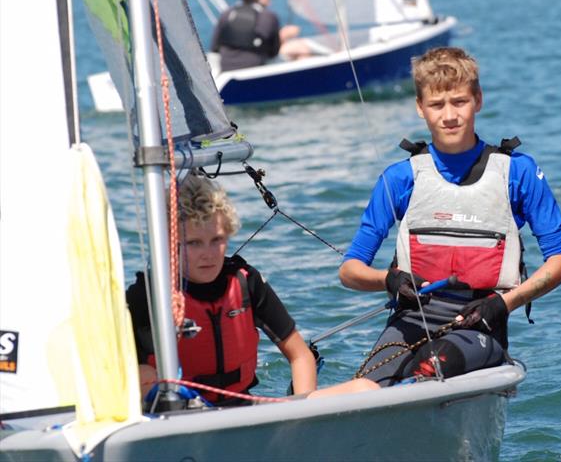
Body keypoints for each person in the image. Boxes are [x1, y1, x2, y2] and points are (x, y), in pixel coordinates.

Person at [338, 46, 561, 386]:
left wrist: (504, 304)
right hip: (409, 322)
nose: (449, 115)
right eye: (436, 105)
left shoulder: (517, 173)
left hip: (480, 325)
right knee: (360, 388)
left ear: (478, 100)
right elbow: (349, 271)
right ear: (420, 108)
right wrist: (388, 280)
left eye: (459, 102)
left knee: (434, 363)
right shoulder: (399, 178)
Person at [127, 173, 377, 405]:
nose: (208, 254)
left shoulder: (246, 282)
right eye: (194, 243)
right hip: (178, 415)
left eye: (217, 240)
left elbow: (301, 356)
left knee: (366, 390)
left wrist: (300, 417)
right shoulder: (147, 295)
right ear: (170, 243)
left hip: (243, 408)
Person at [210, 0, 310, 72]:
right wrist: (283, 36)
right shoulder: (269, 17)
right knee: (302, 49)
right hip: (255, 70)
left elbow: (215, 48)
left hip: (226, 69)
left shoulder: (226, 14)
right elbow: (273, 53)